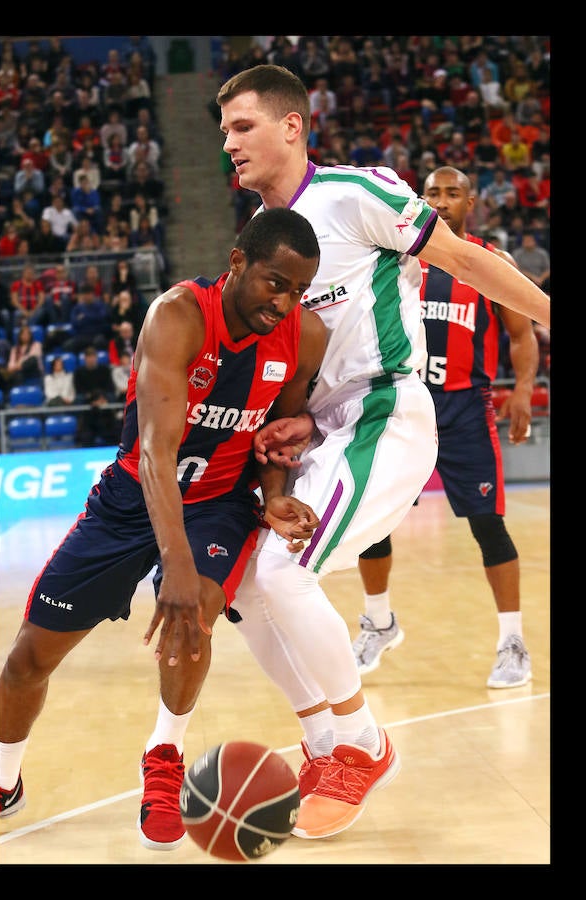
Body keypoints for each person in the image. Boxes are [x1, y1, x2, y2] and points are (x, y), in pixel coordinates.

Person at [212, 64, 549, 841]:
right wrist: (288, 420)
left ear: (292, 126)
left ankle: (362, 745)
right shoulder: (259, 238)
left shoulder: (354, 194)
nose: (228, 143)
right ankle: (323, 743)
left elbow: (468, 262)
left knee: (282, 571)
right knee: (242, 585)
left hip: (384, 410)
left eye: (242, 126)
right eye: (223, 131)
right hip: (319, 427)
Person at [0, 209, 327, 855]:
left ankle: (164, 757)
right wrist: (172, 561)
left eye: (298, 290)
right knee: (27, 660)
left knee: (195, 610)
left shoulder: (303, 336)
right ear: (238, 263)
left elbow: (276, 439)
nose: (285, 302)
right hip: (133, 498)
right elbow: (156, 453)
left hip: (219, 504)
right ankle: (4, 779)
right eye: (275, 283)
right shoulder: (178, 317)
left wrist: (274, 498)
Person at [351, 166, 540, 689]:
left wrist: (524, 388)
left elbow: (521, 334)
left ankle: (512, 642)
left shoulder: (489, 263)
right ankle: (379, 623)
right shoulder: (397, 259)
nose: (441, 201)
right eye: (432, 193)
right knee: (371, 520)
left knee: (488, 525)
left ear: (470, 203)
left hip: (464, 409)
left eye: (452, 193)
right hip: (404, 404)